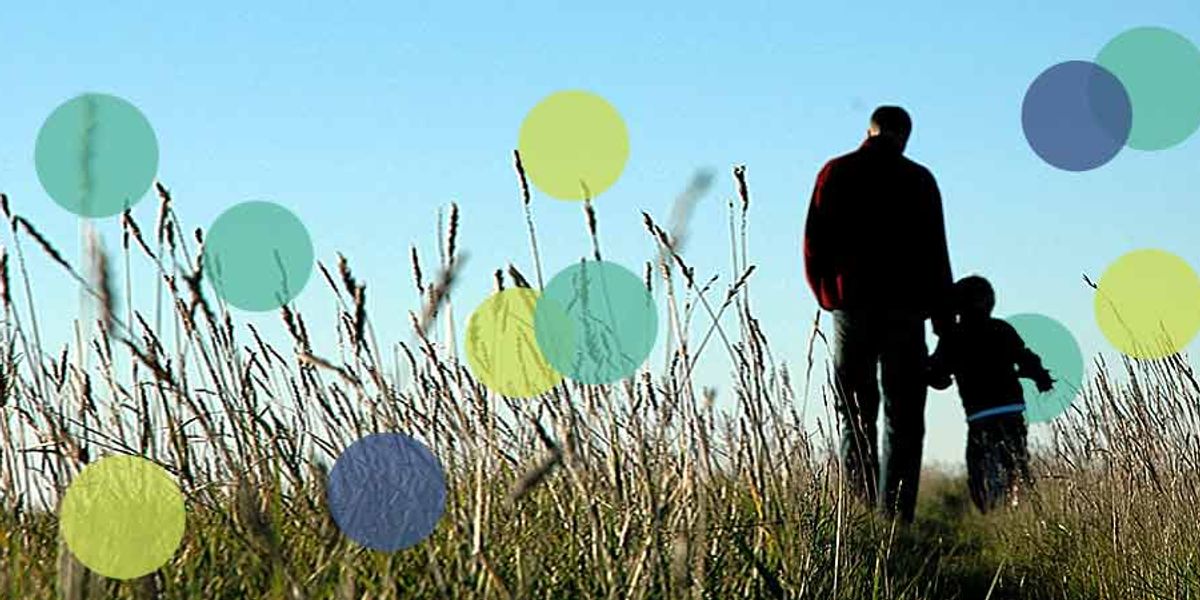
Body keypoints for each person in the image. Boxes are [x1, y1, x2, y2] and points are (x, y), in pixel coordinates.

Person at [803, 105, 953, 522]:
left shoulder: (835, 173)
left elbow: (814, 243)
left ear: (869, 130)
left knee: (855, 414)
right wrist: (944, 326)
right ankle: (896, 520)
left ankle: (861, 514)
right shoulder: (918, 181)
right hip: (905, 313)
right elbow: (936, 257)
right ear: (904, 135)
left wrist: (829, 295)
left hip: (851, 308)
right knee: (904, 420)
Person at [927, 275, 1054, 512]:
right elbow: (1026, 358)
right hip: (1011, 408)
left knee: (977, 463)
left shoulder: (952, 337)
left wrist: (931, 371)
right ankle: (1025, 503)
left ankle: (987, 509)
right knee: (1017, 457)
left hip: (979, 415)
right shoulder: (1002, 329)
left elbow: (937, 375)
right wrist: (1041, 378)